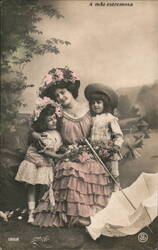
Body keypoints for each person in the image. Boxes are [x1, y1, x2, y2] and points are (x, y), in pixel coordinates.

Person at [32, 67, 113, 227]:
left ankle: (90, 214)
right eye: (57, 96)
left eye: (63, 92)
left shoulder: (90, 108)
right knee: (70, 170)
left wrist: (99, 148)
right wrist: (35, 135)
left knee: (93, 168)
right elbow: (38, 125)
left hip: (89, 153)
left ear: (70, 89)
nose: (61, 97)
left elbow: (104, 125)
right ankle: (74, 217)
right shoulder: (57, 113)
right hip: (68, 154)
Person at [15, 98, 63, 223]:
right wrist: (59, 157)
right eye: (49, 120)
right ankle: (31, 213)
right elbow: (45, 151)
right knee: (31, 186)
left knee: (44, 187)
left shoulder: (57, 133)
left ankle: (41, 211)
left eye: (54, 118)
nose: (53, 121)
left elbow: (57, 147)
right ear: (43, 122)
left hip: (45, 163)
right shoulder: (43, 135)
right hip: (34, 160)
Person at [84, 83, 124, 192]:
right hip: (95, 151)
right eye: (93, 103)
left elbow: (118, 135)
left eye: (99, 102)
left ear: (104, 103)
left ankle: (116, 190)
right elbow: (87, 133)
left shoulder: (109, 118)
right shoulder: (90, 118)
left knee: (113, 173)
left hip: (109, 151)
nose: (95, 105)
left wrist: (116, 146)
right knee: (100, 173)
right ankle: (104, 193)